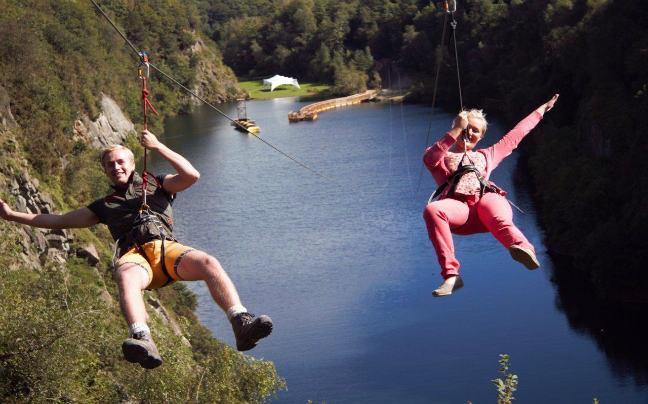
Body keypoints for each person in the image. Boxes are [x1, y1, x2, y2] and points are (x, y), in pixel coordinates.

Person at [0, 130, 273, 369]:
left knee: (208, 262)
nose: (116, 167)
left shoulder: (157, 184)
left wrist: (157, 146)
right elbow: (59, 220)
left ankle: (240, 322)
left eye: (121, 162)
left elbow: (191, 176)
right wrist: (12, 215)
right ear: (105, 171)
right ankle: (142, 337)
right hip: (136, 258)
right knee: (125, 274)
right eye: (110, 164)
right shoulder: (103, 206)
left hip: (166, 250)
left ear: (132, 164)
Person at [423, 94, 559, 297]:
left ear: (481, 137)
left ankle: (523, 248)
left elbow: (517, 133)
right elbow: (429, 158)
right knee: (432, 209)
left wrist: (542, 110)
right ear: (458, 128)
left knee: (492, 202)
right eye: (466, 128)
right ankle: (451, 276)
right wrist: (455, 130)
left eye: (475, 130)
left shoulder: (488, 155)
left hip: (486, 206)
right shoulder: (442, 157)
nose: (469, 133)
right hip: (460, 212)